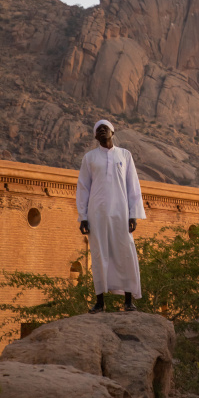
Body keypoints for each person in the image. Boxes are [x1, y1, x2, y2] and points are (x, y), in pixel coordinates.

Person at [76, 119, 146, 313]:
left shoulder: (125, 155)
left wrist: (133, 214)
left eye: (104, 128)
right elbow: (83, 187)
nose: (101, 131)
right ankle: (99, 302)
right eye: (98, 130)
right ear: (95, 136)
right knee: (98, 255)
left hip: (121, 212)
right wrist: (83, 216)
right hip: (96, 213)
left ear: (112, 133)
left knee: (126, 251)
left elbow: (133, 185)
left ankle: (128, 301)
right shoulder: (89, 158)